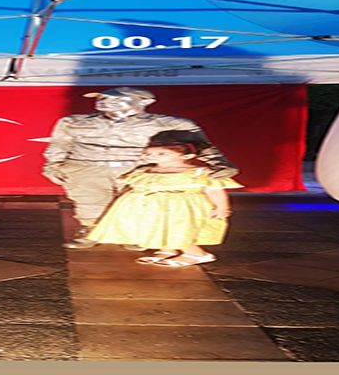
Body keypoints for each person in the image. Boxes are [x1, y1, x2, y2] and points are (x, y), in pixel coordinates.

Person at [41, 86, 238, 249]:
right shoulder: (73, 121)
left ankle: (134, 234)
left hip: (136, 169)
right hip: (85, 166)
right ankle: (91, 230)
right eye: (101, 98)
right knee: (89, 201)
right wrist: (53, 165)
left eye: (116, 99)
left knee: (135, 204)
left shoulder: (171, 123)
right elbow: (60, 144)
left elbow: (201, 145)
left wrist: (220, 164)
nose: (104, 102)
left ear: (143, 102)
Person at [85, 138, 243, 267]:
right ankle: (167, 249)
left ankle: (196, 254)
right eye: (148, 153)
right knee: (157, 226)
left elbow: (214, 190)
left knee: (178, 228)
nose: (152, 157)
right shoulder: (144, 170)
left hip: (180, 207)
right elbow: (131, 185)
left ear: (186, 156)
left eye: (162, 154)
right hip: (148, 206)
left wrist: (222, 207)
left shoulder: (198, 173)